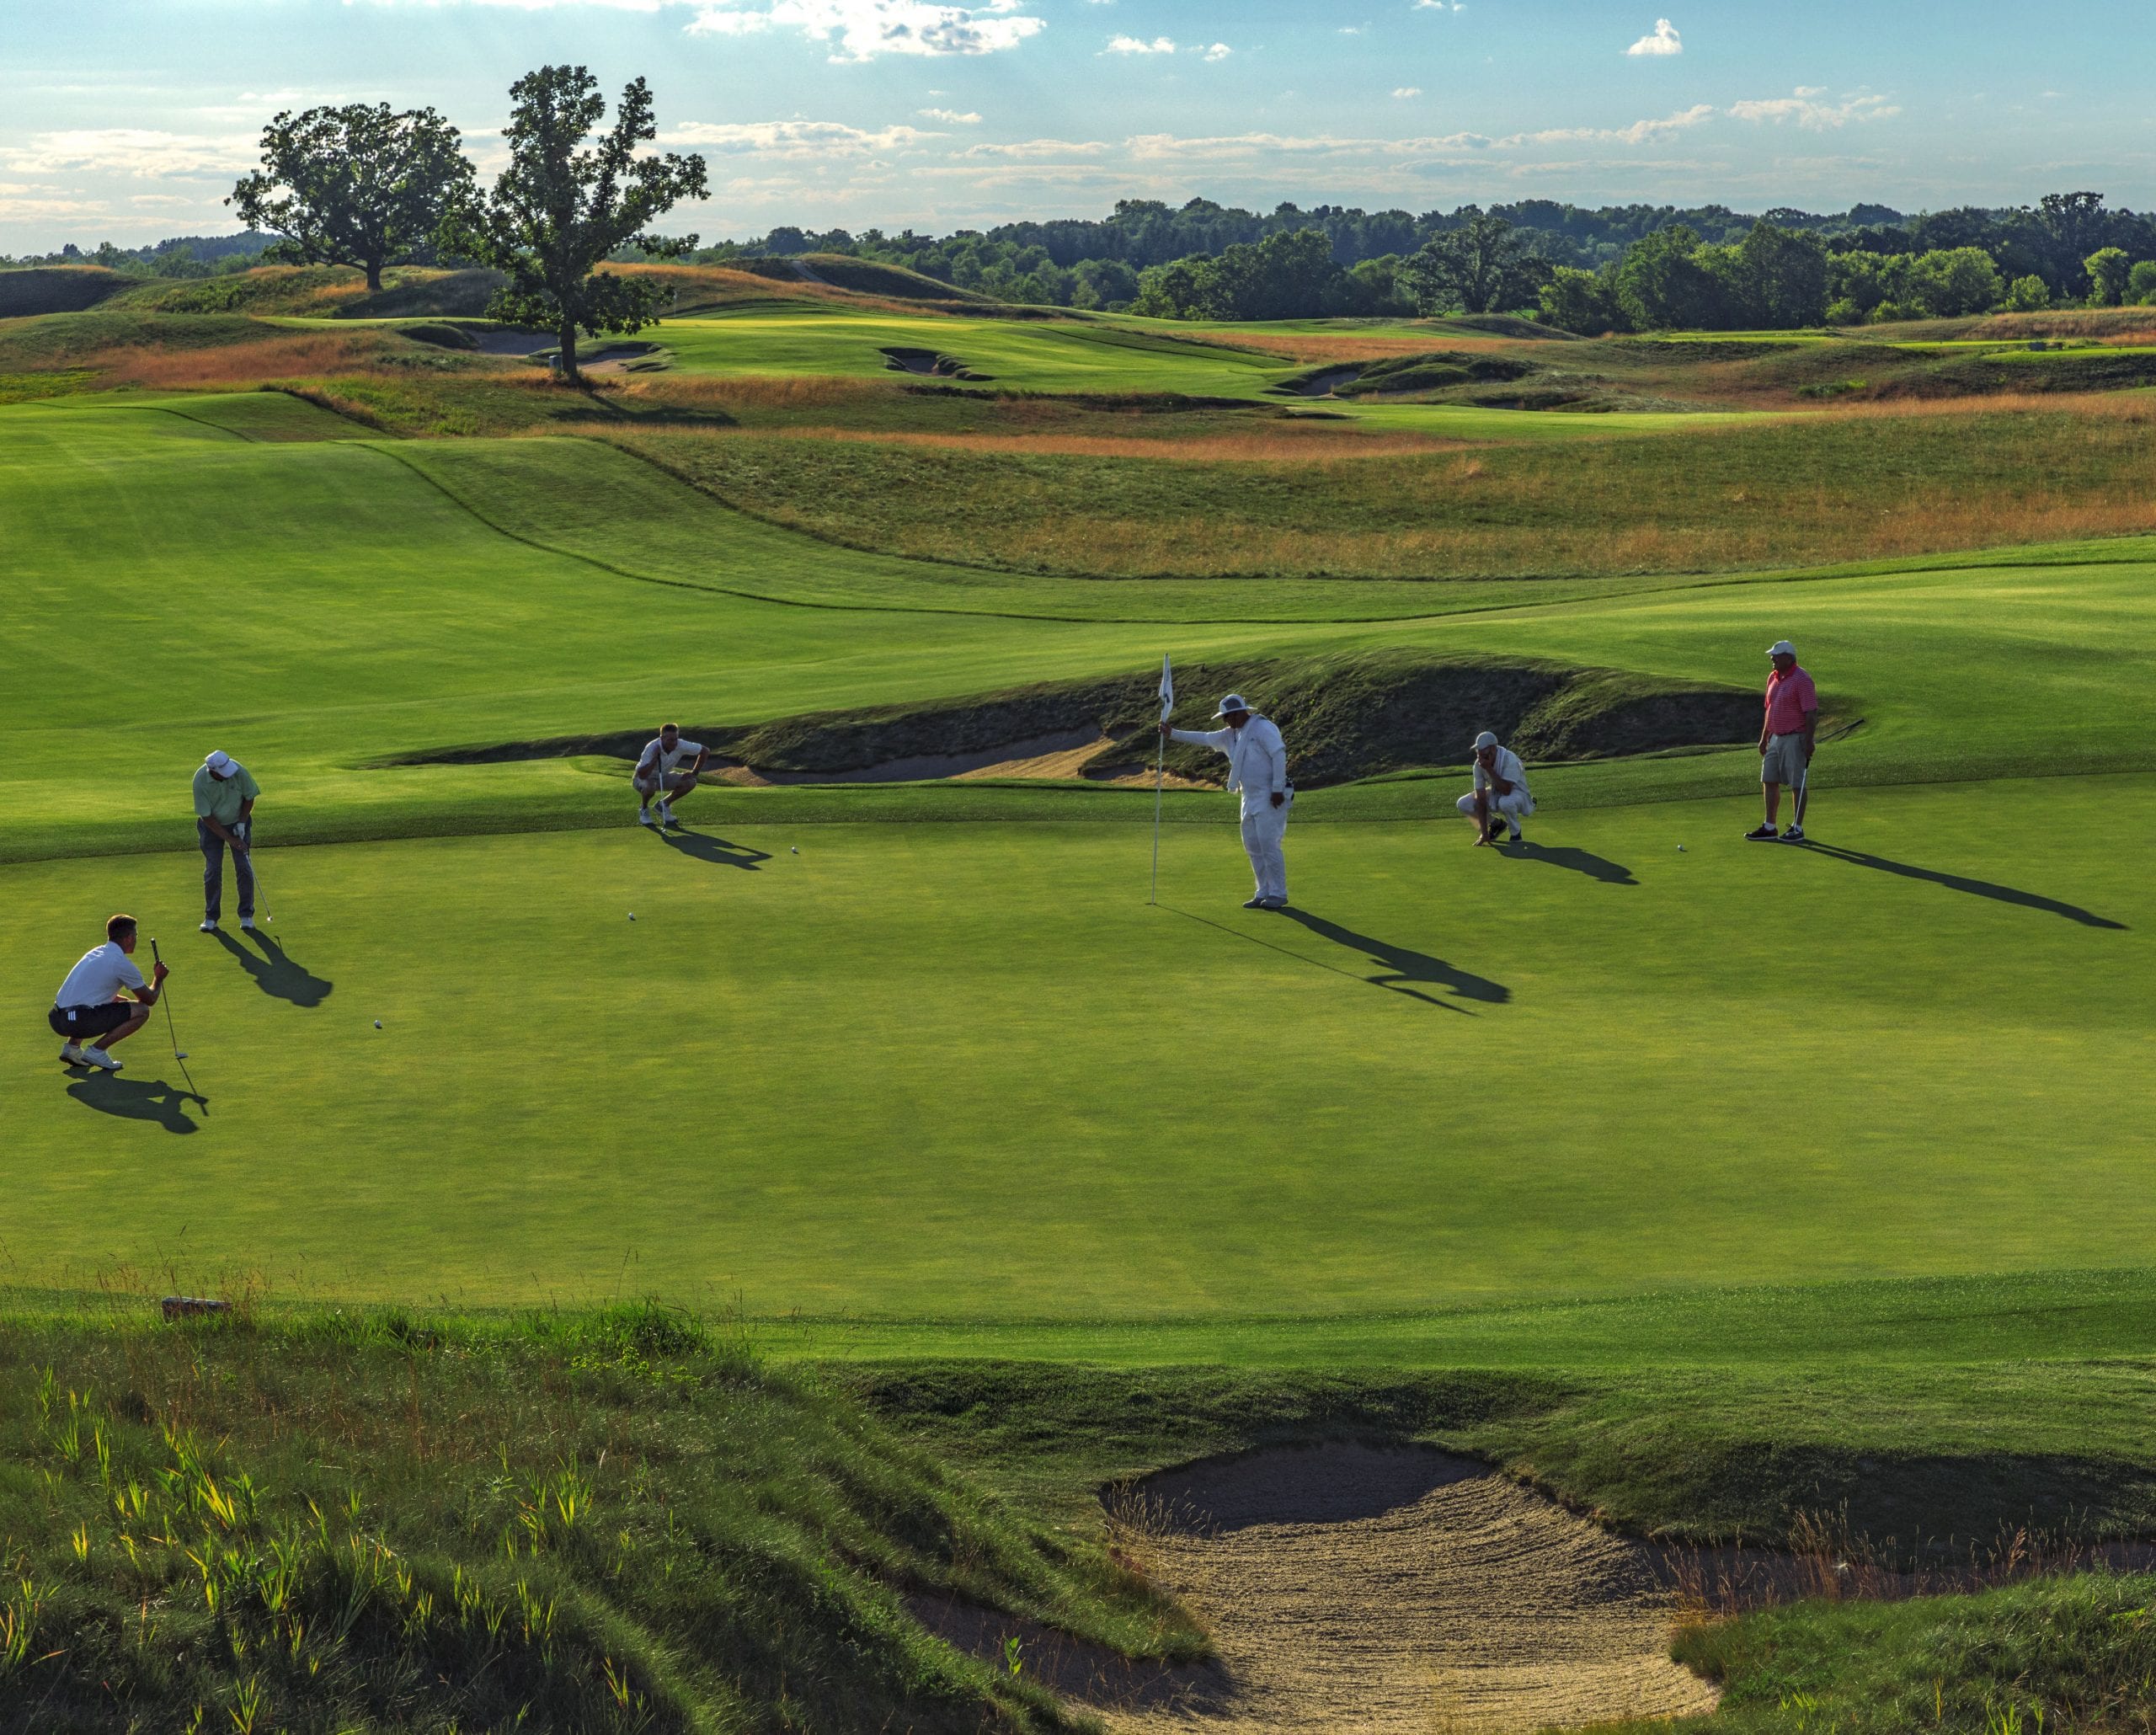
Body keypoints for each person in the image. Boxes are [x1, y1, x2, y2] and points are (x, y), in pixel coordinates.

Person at [1161, 693, 1293, 909]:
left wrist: (1277, 788)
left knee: (1269, 844)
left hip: (1270, 795)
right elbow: (1203, 738)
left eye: (1228, 716)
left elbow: (1278, 754)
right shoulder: (1229, 735)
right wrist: (1172, 734)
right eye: (1224, 717)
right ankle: (1263, 891)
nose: (1226, 721)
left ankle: (1278, 893)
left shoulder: (1263, 728)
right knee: (1252, 845)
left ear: (1241, 713)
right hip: (1248, 797)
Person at [51, 913, 168, 1071]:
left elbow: (91, 993)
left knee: (117, 1004)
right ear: (128, 938)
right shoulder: (121, 964)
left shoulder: (96, 952)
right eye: (135, 935)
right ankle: (97, 1051)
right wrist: (158, 978)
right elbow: (150, 999)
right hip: (77, 1021)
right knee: (142, 1011)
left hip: (58, 1019)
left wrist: (123, 1003)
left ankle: (72, 1049)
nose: (136, 939)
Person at [1748, 640, 1818, 842]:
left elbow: (1811, 713)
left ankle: (1797, 828)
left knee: (1797, 783)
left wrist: (1809, 740)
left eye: (1776, 655)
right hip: (1775, 737)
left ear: (1789, 657)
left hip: (1795, 737)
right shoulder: (1773, 677)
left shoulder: (1802, 680)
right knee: (1769, 779)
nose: (1772, 658)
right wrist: (1764, 737)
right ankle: (1770, 826)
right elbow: (1769, 709)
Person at [193, 749, 259, 933]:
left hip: (238, 822)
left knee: (244, 867)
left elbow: (249, 796)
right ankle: (211, 917)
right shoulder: (200, 781)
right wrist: (230, 838)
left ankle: (246, 915)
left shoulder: (238, 771)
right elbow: (206, 816)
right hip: (212, 827)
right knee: (213, 869)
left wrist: (242, 822)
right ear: (212, 770)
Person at [1458, 730, 1534, 846]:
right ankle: (1496, 825)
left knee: (1506, 802)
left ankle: (1515, 833)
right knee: (1463, 803)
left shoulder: (1510, 760)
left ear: (1493, 749)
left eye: (1482, 751)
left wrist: (1489, 769)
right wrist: (1484, 833)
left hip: (1519, 794)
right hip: (1496, 791)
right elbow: (1481, 798)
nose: (1479, 756)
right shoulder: (1478, 765)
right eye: (1478, 751)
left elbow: (1507, 790)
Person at [633, 724, 711, 829]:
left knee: (690, 782)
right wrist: (655, 758)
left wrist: (694, 773)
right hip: (642, 779)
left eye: (675, 739)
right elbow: (642, 774)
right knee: (650, 785)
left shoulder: (680, 744)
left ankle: (662, 805)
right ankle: (644, 809)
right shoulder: (652, 747)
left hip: (664, 777)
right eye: (670, 740)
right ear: (662, 738)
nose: (674, 743)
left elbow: (705, 751)